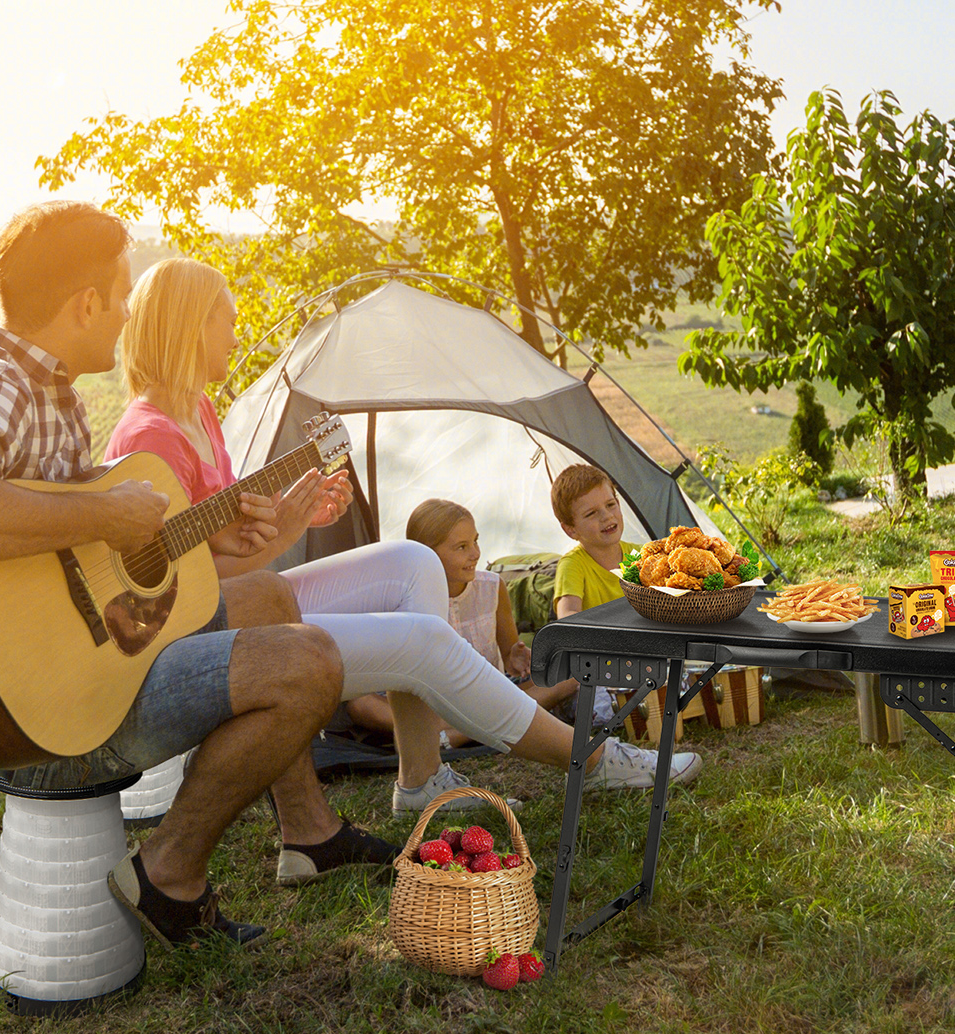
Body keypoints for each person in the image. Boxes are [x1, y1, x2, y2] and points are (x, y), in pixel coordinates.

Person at [0, 203, 349, 951]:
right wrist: (107, 517)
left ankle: (310, 832)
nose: (128, 314)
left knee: (266, 595)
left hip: (77, 670)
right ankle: (170, 873)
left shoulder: (54, 395)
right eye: (123, 295)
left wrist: (202, 535)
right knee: (309, 662)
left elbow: (81, 566)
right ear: (87, 303)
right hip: (35, 719)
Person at [106, 258, 703, 804]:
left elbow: (230, 546)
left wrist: (295, 515)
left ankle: (420, 777)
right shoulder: (150, 436)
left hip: (241, 597)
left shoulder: (199, 412)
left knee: (416, 563)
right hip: (200, 637)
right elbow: (176, 596)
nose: (237, 336)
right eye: (227, 323)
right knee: (420, 641)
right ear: (189, 327)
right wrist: (284, 531)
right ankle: (591, 758)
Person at [343, 499, 579, 748]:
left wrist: (516, 657)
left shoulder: (492, 586)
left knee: (568, 675)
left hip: (487, 695)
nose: (475, 554)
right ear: (426, 554)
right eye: (462, 547)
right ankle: (482, 727)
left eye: (475, 541)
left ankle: (456, 736)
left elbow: (509, 659)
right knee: (360, 705)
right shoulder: (401, 598)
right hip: (429, 707)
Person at [551, 466, 628, 619]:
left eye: (610, 505)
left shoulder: (640, 555)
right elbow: (567, 615)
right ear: (571, 530)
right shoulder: (573, 565)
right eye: (591, 513)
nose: (606, 516)